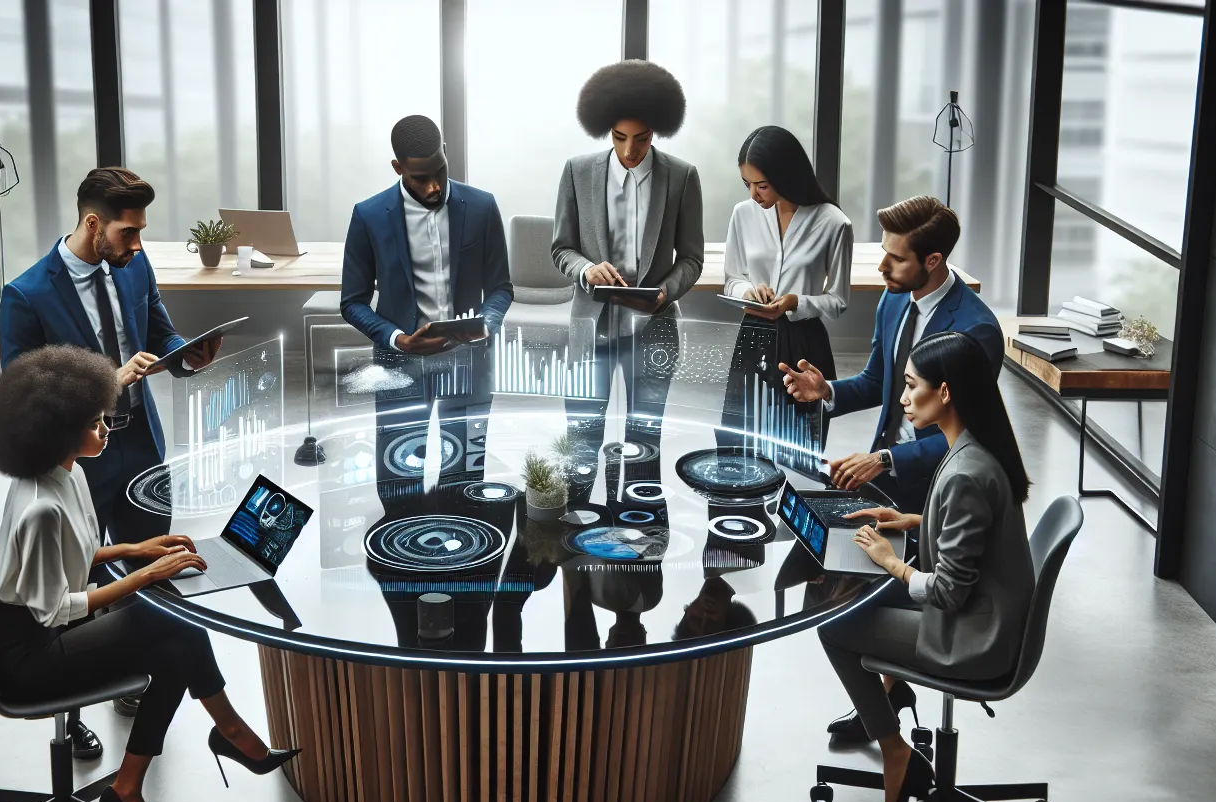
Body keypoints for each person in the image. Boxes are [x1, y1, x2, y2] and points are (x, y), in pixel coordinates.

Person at [0, 346, 298, 802]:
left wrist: (134, 549)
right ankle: (230, 734)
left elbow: (76, 554)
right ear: (57, 432)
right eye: (94, 423)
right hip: (27, 655)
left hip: (43, 626)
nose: (106, 429)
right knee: (171, 625)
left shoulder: (67, 473)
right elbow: (56, 609)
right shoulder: (40, 508)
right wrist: (147, 574)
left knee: (174, 645)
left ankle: (131, 787)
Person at [0, 167, 223, 735]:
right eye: (129, 232)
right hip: (78, 460)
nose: (138, 244)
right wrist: (107, 382)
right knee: (72, 581)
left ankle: (135, 674)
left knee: (148, 564)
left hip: (142, 442)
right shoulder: (27, 295)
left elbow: (160, 332)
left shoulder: (134, 266)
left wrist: (185, 353)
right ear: (94, 224)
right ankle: (68, 712)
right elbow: (21, 398)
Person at [815, 331, 1035, 802]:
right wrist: (910, 522)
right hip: (985, 609)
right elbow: (972, 534)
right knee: (858, 601)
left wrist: (892, 562)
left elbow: (950, 592)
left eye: (912, 385)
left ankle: (895, 751)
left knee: (834, 626)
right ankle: (890, 706)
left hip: (974, 636)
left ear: (946, 392)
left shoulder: (964, 473)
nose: (902, 398)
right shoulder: (975, 448)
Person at [778, 196, 1002, 513]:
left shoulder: (977, 331)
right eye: (885, 252)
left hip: (939, 487)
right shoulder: (894, 298)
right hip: (883, 472)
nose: (882, 267)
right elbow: (877, 380)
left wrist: (885, 460)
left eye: (896, 258)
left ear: (933, 261)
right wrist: (826, 390)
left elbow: (969, 435)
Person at [341, 114, 514, 500]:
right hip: (400, 364)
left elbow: (501, 288)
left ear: (445, 153)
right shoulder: (369, 216)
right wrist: (398, 339)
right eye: (421, 178)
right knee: (399, 484)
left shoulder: (482, 207)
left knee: (465, 483)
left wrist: (484, 324)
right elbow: (352, 302)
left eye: (440, 171)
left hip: (469, 362)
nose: (434, 186)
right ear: (397, 168)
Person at [551, 60, 703, 460]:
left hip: (653, 329)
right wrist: (586, 269)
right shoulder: (577, 172)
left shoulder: (682, 177)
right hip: (591, 329)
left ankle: (642, 504)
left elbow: (691, 258)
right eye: (619, 137)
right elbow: (561, 249)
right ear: (606, 129)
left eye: (641, 138)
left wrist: (665, 292)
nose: (629, 150)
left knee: (645, 449)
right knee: (580, 446)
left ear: (657, 130)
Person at [720, 126, 851, 450]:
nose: (753, 194)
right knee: (740, 442)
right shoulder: (743, 214)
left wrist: (796, 302)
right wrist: (748, 292)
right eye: (747, 184)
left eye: (762, 185)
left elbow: (837, 301)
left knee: (800, 446)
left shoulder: (834, 223)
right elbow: (733, 278)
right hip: (753, 337)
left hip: (805, 344)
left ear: (786, 175)